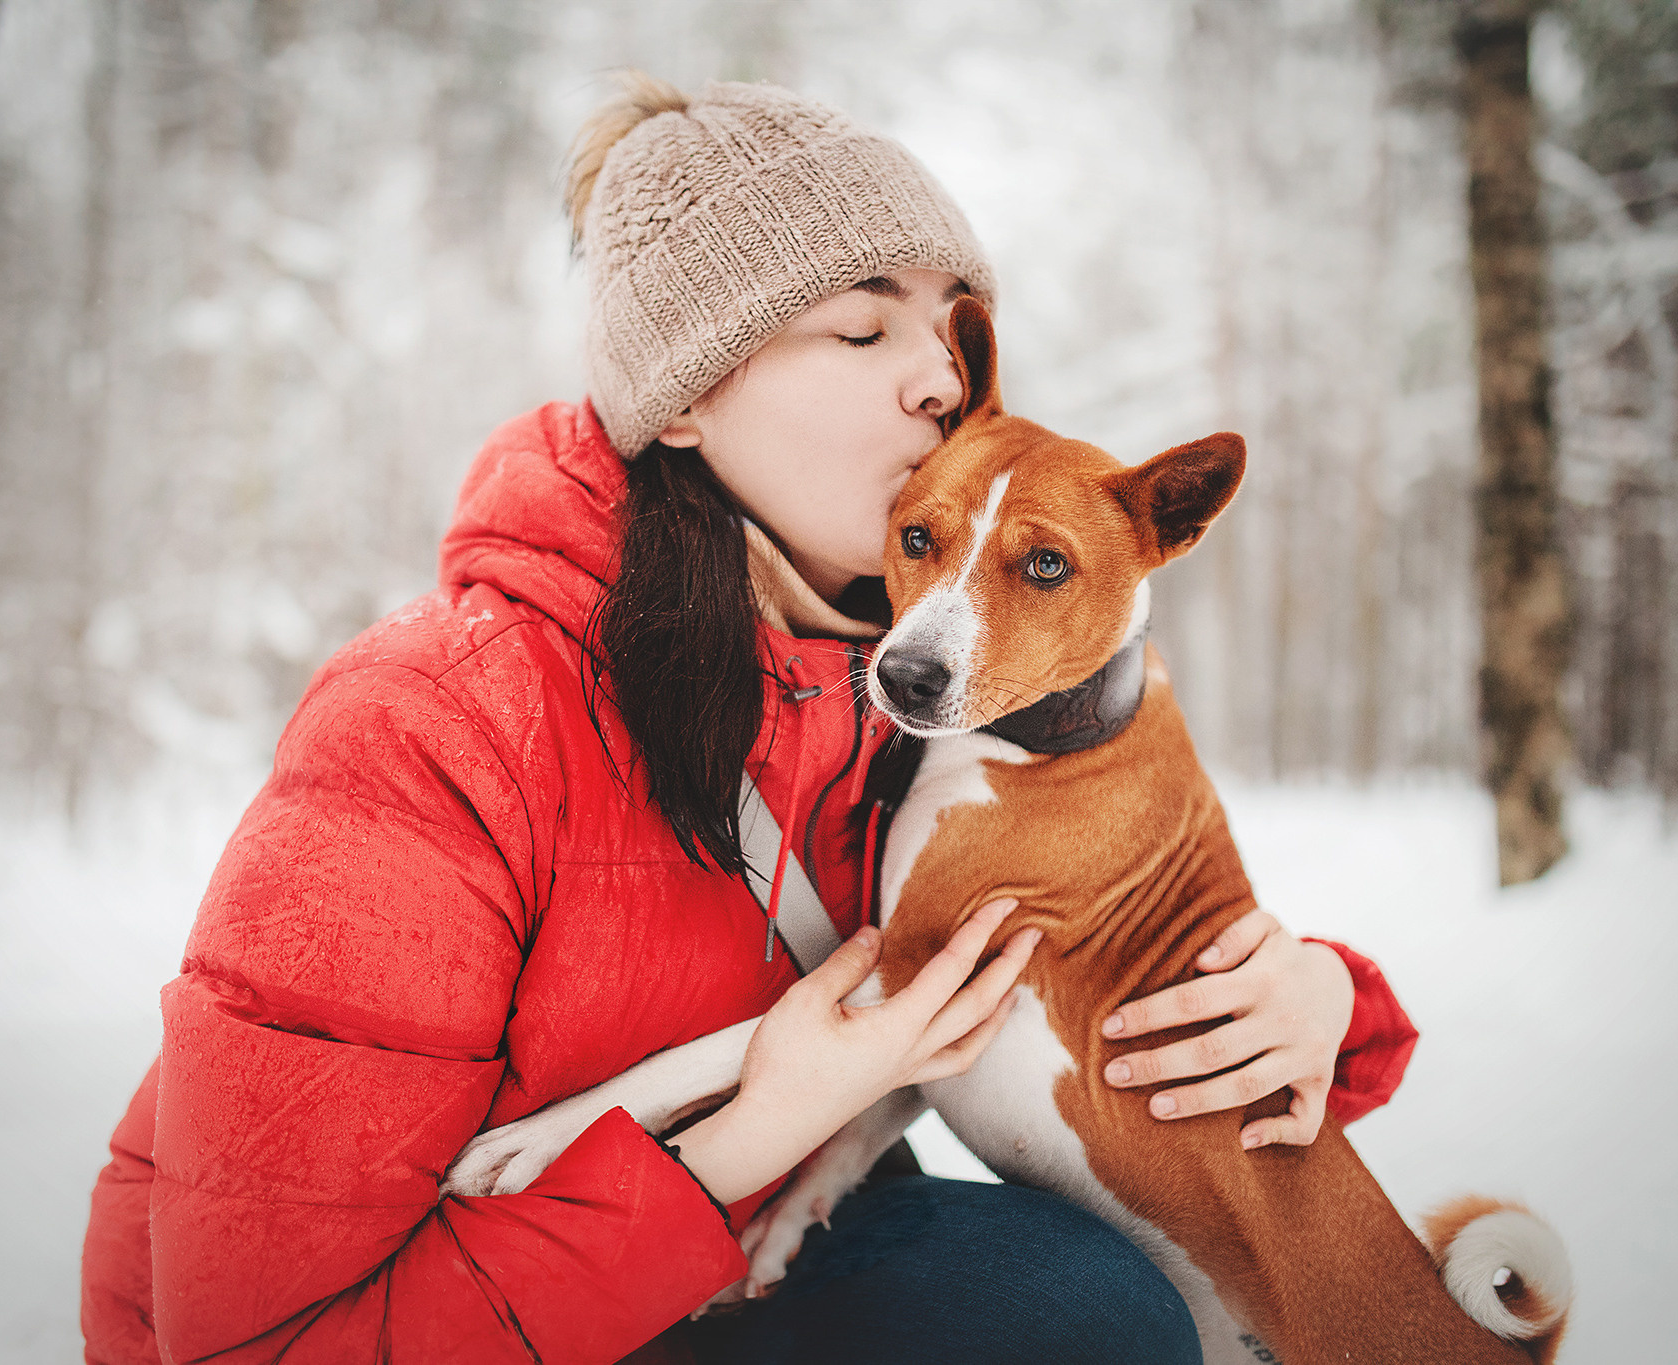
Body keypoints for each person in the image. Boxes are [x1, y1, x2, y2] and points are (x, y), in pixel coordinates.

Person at [80, 74, 1418, 1365]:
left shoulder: (899, 684)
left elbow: (1081, 958)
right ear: (687, 396)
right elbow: (258, 1342)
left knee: (1092, 1314)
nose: (940, 382)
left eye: (953, 325)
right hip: (445, 1304)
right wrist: (759, 1121)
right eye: (863, 327)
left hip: (735, 1259)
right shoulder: (435, 720)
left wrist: (1316, 1004)